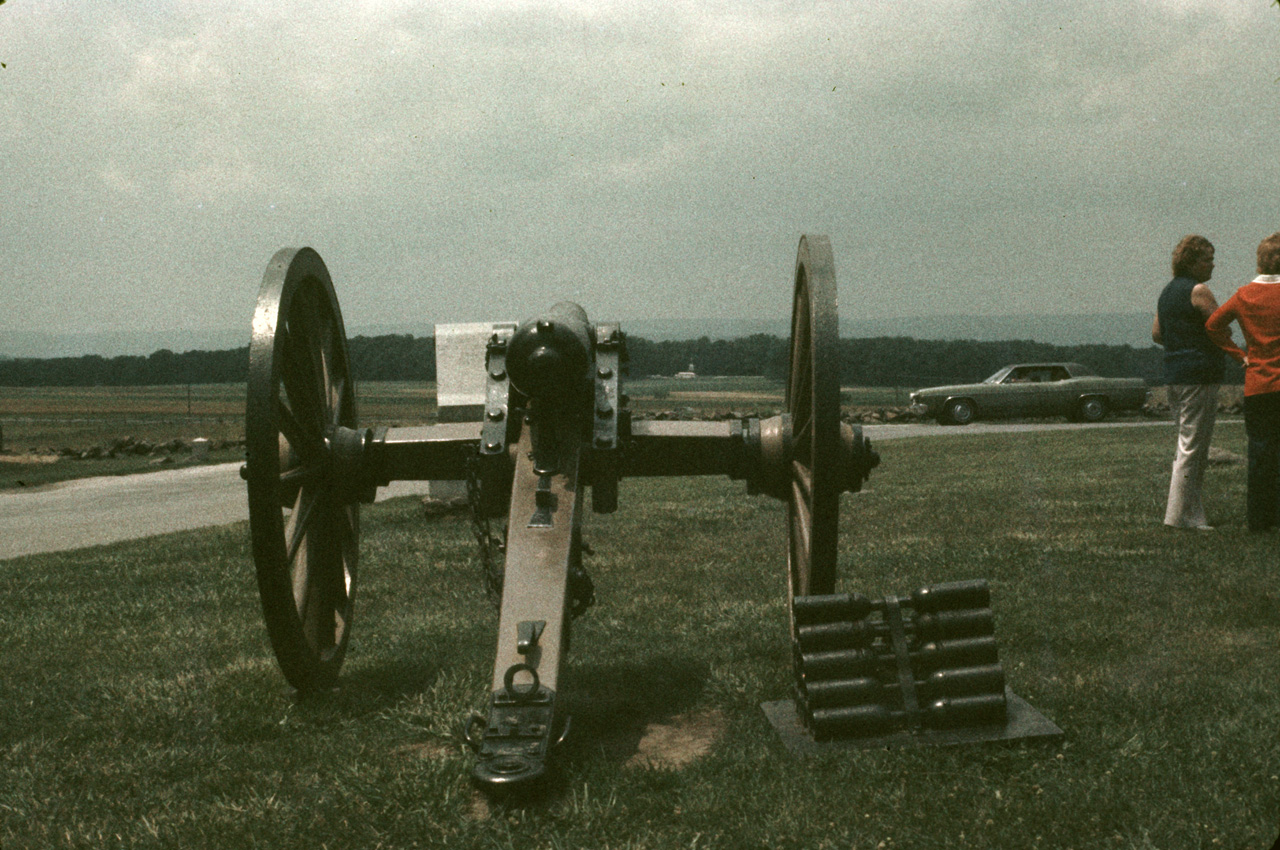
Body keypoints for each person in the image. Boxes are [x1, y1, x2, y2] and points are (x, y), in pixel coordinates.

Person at [1205, 231, 1280, 533]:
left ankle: (1260, 520)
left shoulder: (1243, 294)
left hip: (1258, 384)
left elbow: (1213, 326)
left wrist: (1239, 355)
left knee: (1261, 452)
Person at [1152, 234, 1223, 530]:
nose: (1212, 265)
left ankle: (1190, 512)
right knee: (1194, 447)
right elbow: (1219, 324)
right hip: (1200, 375)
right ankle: (1179, 516)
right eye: (1208, 259)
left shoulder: (1167, 293)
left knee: (1185, 444)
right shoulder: (1199, 291)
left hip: (1174, 375)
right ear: (1192, 262)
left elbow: (1157, 334)